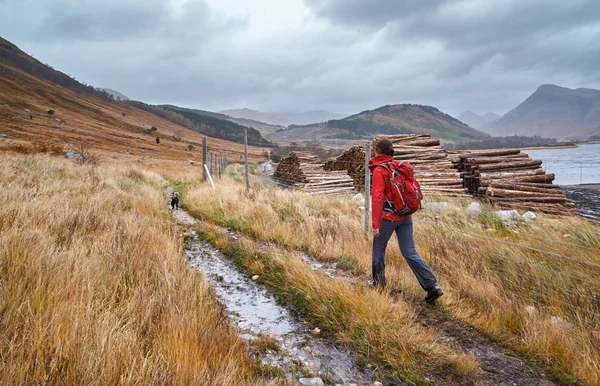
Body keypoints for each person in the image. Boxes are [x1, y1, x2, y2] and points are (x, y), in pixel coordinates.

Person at [369, 138, 443, 304]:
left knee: (379, 248)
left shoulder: (380, 170)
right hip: (405, 216)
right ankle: (432, 286)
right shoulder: (399, 167)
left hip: (388, 218)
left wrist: (375, 225)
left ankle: (378, 284)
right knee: (410, 251)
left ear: (377, 152)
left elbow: (378, 198)